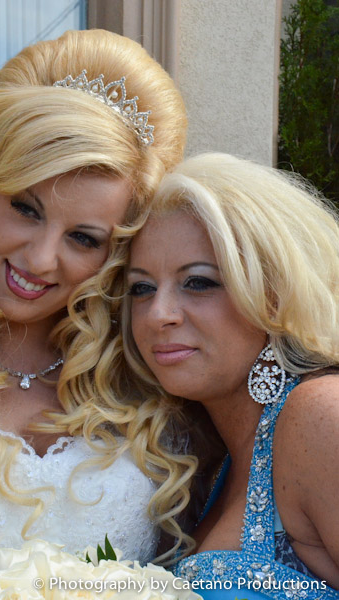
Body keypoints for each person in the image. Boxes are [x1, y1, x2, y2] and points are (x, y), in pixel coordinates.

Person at [0, 28, 192, 579]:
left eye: (82, 238)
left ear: (116, 252)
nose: (39, 259)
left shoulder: (155, 402)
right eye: (26, 209)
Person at [119, 153, 339, 598]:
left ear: (274, 295)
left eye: (198, 282)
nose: (158, 314)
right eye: (142, 288)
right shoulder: (208, 455)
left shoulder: (320, 414)